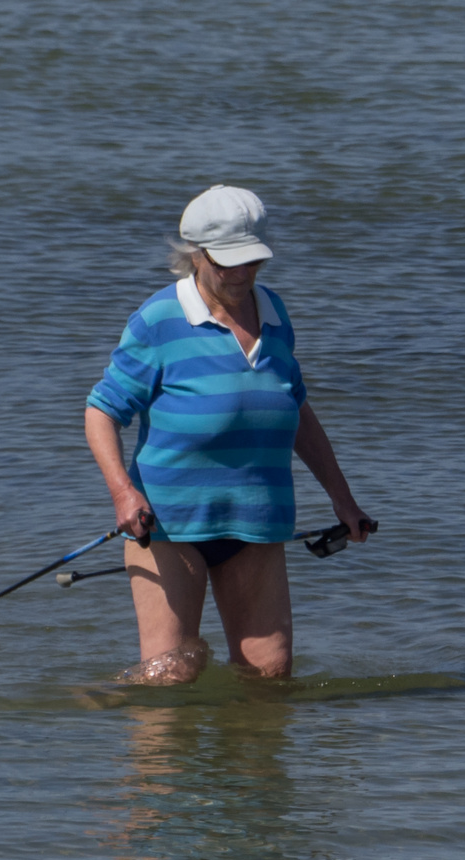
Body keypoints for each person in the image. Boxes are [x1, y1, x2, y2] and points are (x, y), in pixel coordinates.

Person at [84, 185, 373, 684]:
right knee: (169, 678)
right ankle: (96, 711)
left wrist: (342, 500)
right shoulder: (159, 321)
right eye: (228, 263)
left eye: (253, 261)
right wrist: (123, 494)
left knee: (270, 676)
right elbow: (101, 411)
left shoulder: (276, 316)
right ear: (196, 254)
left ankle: (239, 765)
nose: (242, 274)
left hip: (258, 522)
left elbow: (296, 408)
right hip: (170, 526)